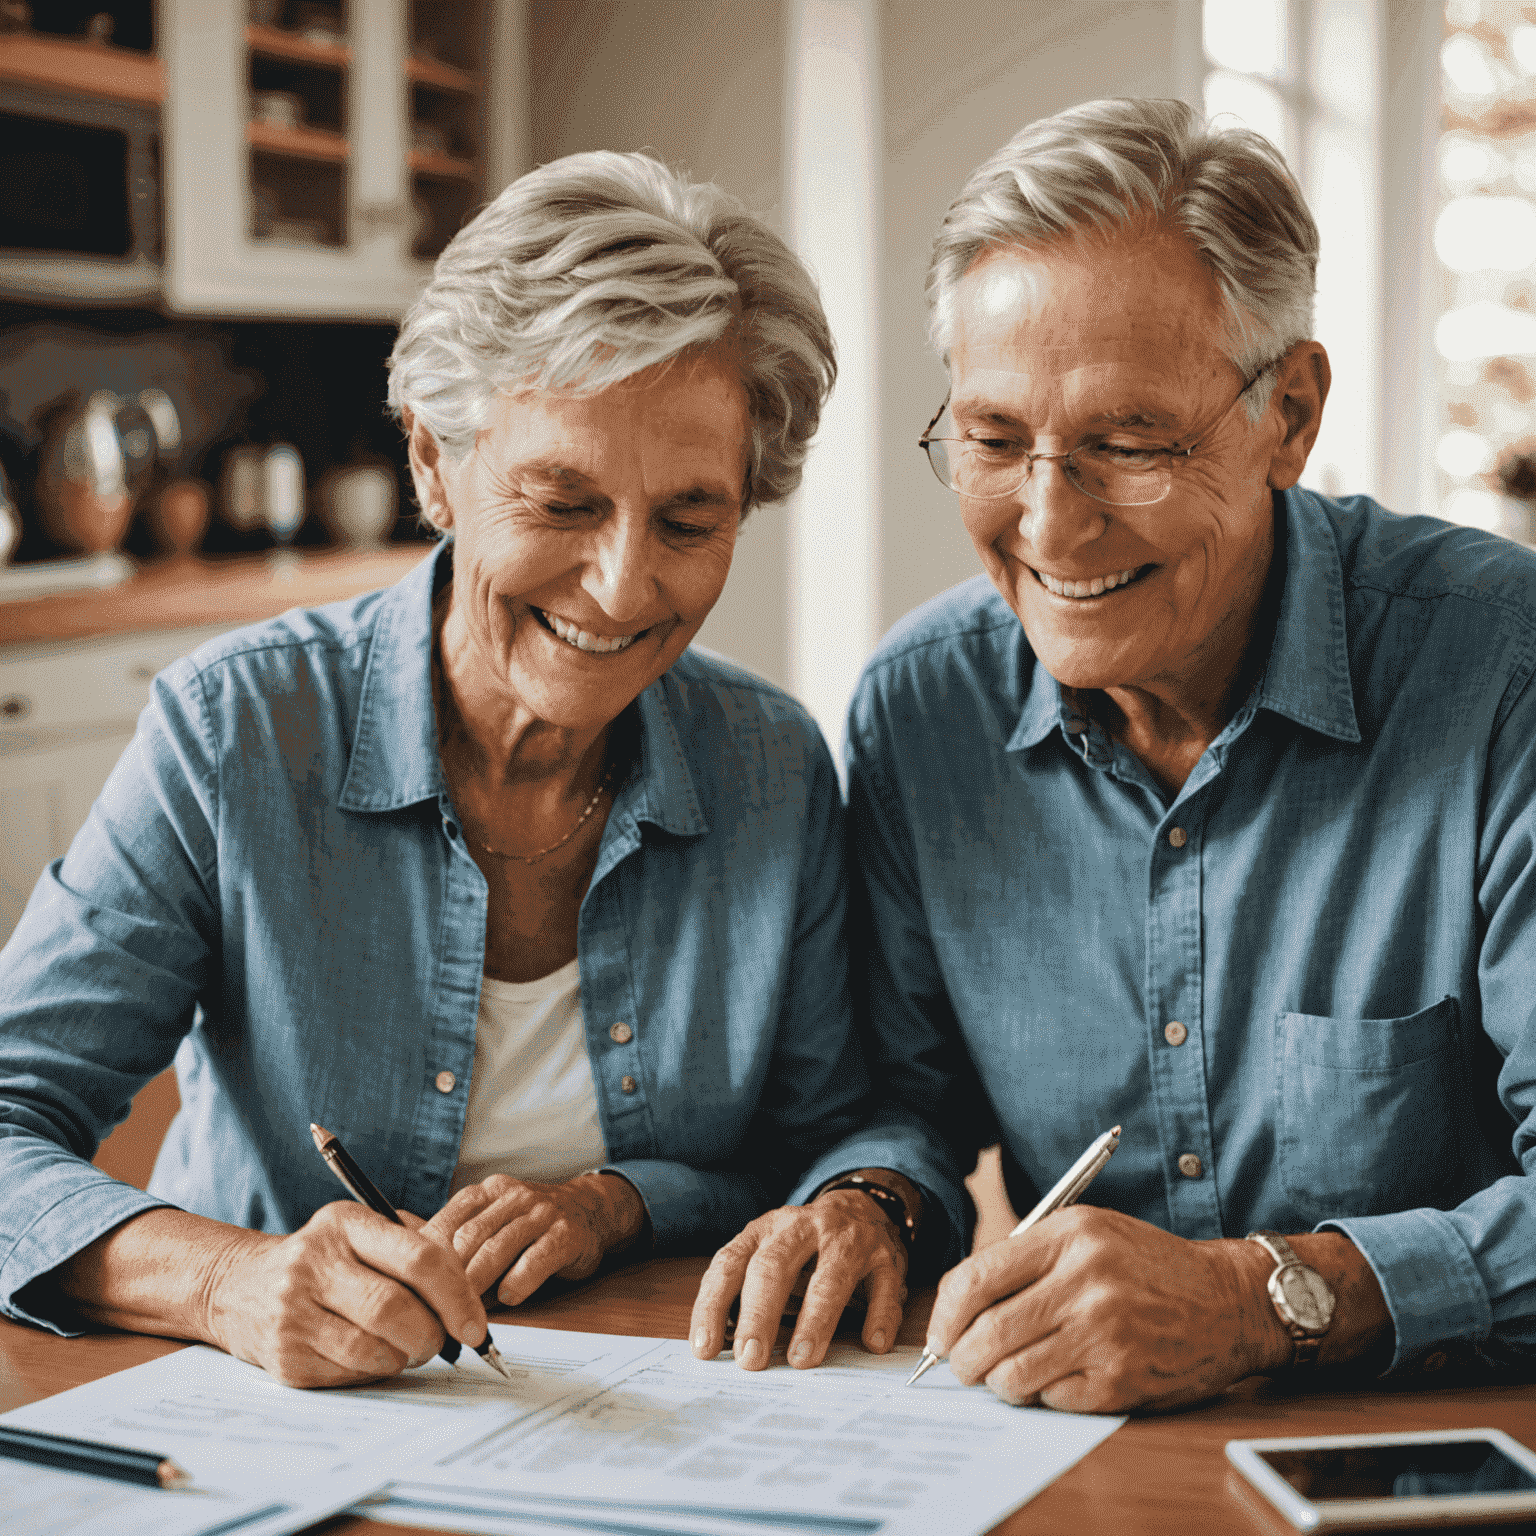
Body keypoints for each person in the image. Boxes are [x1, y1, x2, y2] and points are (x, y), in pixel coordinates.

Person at [0, 150, 899, 1389]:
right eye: (562, 502)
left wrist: (613, 1205)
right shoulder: (237, 731)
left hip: (650, 1410)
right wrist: (226, 1282)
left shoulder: (771, 769)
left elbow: (831, 1134)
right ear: (434, 463)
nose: (625, 586)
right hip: (273, 1418)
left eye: (690, 521)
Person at [692, 97, 1536, 1410]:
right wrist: (866, 1202)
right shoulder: (925, 712)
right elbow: (903, 1106)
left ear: (1290, 414)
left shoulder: (1504, 675)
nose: (1048, 524)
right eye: (991, 439)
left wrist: (1262, 1300)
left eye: (1128, 443)